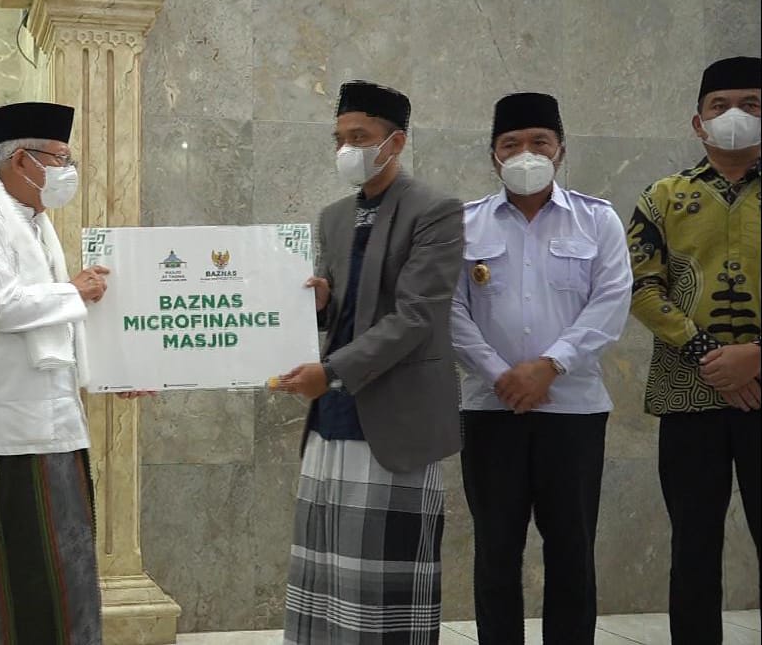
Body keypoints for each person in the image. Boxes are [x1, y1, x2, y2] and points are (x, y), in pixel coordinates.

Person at [276, 80, 465, 644]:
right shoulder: (333, 217)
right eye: (339, 137)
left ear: (396, 141)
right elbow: (344, 306)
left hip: (394, 420)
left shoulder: (435, 211)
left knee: (383, 587)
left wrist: (330, 371)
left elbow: (416, 318)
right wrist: (320, 303)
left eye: (359, 136)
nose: (346, 149)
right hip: (332, 418)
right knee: (327, 571)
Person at [0, 101, 131, 644]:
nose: (67, 172)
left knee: (65, 565)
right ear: (21, 161)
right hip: (0, 426)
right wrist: (74, 290)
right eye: (59, 159)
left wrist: (114, 374)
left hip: (51, 423)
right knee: (5, 566)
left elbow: (66, 323)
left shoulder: (36, 223)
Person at [451, 92, 632, 644]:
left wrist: (549, 367)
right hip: (490, 408)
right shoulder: (463, 224)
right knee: (496, 550)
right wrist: (499, 373)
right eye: (511, 144)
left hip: (572, 410)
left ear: (559, 150)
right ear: (493, 155)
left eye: (539, 143)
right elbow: (448, 309)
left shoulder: (597, 220)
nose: (525, 153)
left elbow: (612, 300)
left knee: (572, 550)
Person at [627, 55, 761, 644]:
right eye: (720, 105)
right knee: (694, 546)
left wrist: (756, 354)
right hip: (689, 395)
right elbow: (638, 285)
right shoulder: (662, 197)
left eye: (751, 105)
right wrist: (711, 356)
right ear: (698, 123)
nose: (735, 115)